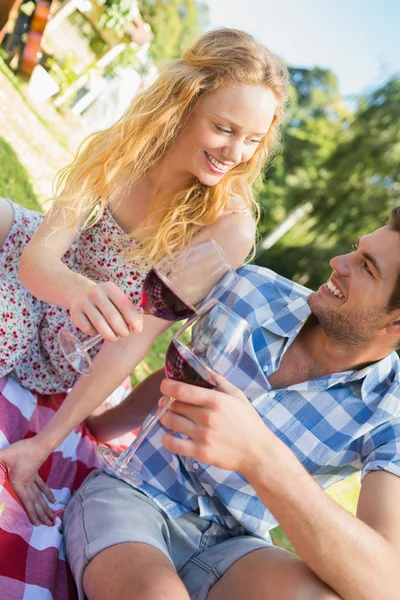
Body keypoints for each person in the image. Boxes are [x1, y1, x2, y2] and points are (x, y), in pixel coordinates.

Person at [0, 28, 288, 524]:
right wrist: (75, 287)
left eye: (253, 139)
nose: (235, 153)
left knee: (8, 321)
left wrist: (43, 446)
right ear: (185, 103)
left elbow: (132, 342)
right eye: (223, 128)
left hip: (74, 336)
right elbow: (38, 256)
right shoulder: (128, 146)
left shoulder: (227, 227)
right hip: (50, 275)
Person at [63, 208, 400, 600]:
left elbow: (385, 585)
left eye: (366, 268)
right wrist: (105, 423)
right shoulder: (253, 292)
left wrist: (260, 456)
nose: (337, 263)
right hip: (136, 494)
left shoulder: (389, 409)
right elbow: (187, 374)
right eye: (354, 250)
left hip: (236, 551)